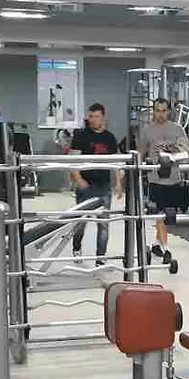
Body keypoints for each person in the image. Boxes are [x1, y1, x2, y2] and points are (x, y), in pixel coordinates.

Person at [68, 103, 123, 264]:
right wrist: (78, 179)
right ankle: (76, 248)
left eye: (96, 116)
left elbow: (115, 162)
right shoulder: (81, 136)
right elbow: (72, 160)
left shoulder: (110, 138)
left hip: (103, 186)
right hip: (86, 186)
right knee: (81, 221)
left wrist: (119, 183)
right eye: (91, 116)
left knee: (103, 224)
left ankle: (100, 257)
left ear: (103, 117)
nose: (93, 120)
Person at [137, 98, 189, 256]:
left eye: (163, 111)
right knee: (160, 214)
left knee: (168, 216)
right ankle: (166, 248)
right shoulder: (147, 130)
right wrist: (137, 170)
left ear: (168, 111)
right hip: (156, 179)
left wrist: (177, 152)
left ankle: (156, 244)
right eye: (157, 111)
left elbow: (186, 151)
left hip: (174, 178)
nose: (160, 114)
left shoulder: (177, 129)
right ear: (153, 112)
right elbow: (140, 152)